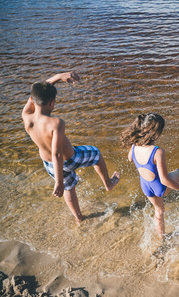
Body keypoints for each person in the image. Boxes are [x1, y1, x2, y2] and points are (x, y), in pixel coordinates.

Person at [22, 72, 120, 224]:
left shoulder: (26, 116)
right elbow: (57, 153)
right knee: (96, 154)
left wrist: (58, 77)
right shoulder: (56, 123)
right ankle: (108, 183)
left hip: (48, 165)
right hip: (69, 159)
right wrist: (58, 183)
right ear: (51, 103)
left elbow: (37, 92)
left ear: (32, 100)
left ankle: (79, 218)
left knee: (69, 189)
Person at [120, 113, 179, 240]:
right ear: (157, 133)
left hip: (145, 186)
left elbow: (130, 158)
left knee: (159, 210)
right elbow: (164, 180)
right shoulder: (157, 151)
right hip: (159, 187)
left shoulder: (134, 146)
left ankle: (161, 238)